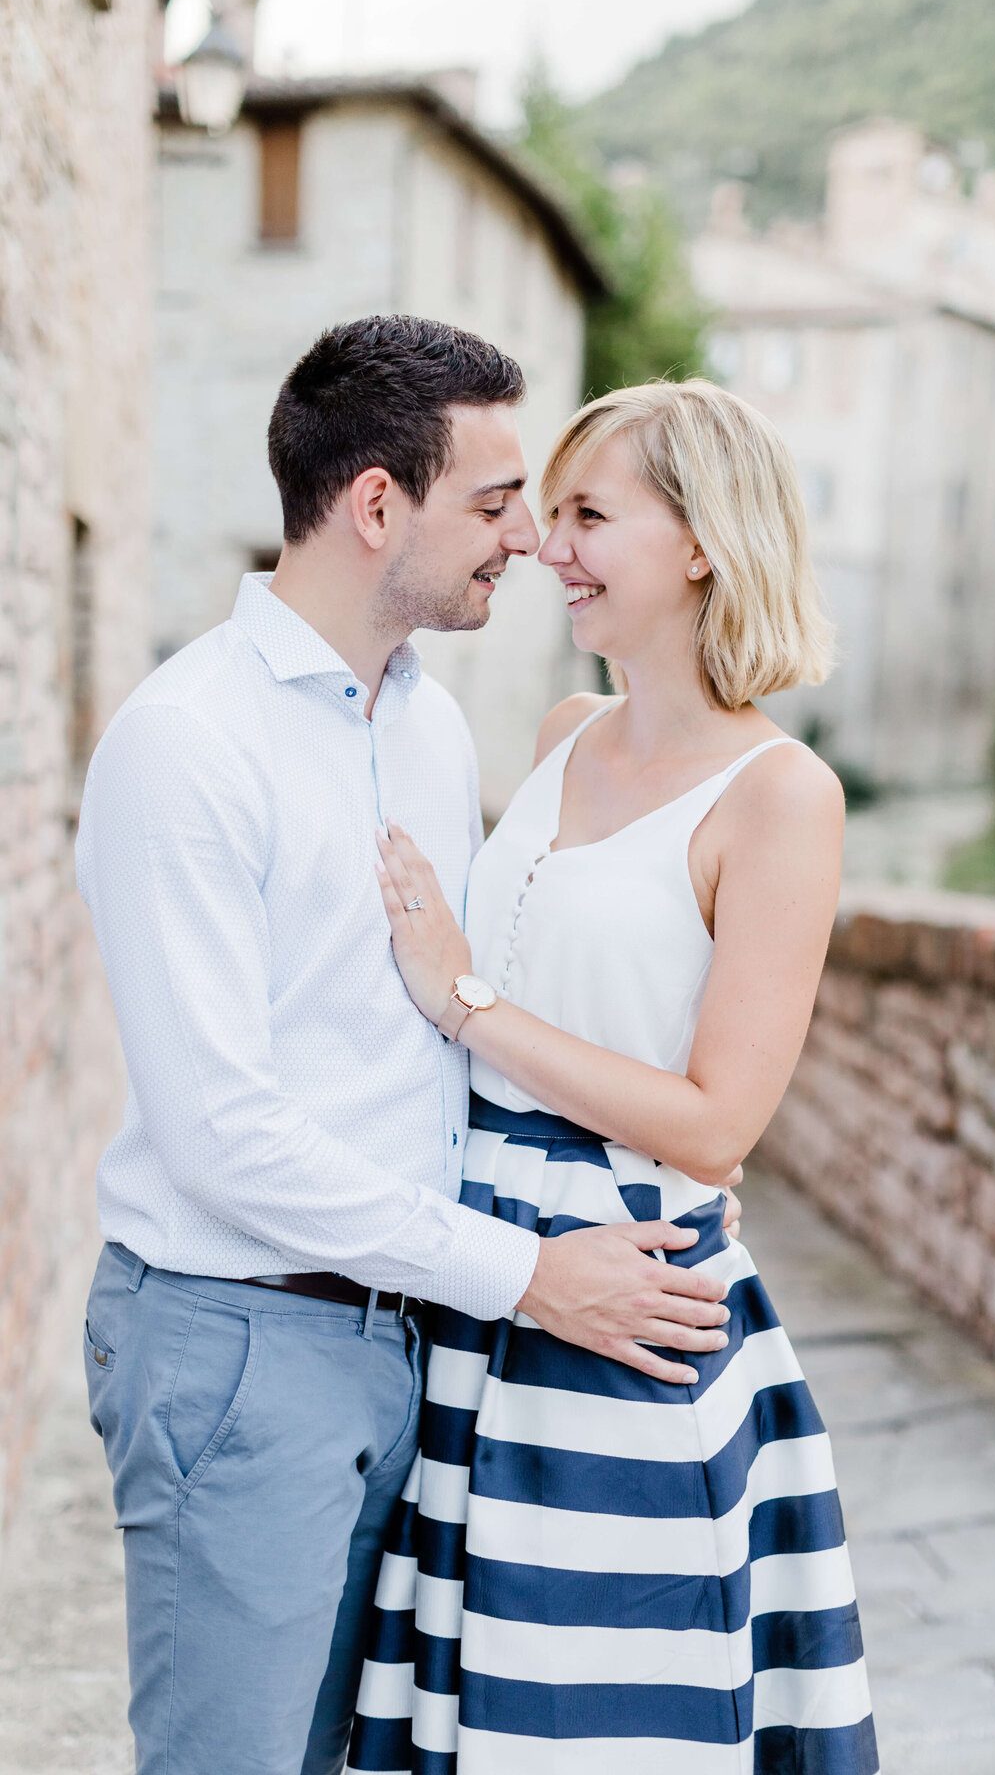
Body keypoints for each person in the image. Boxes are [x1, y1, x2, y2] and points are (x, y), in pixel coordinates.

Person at [75, 317, 738, 1775]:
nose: (529, 543)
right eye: (498, 505)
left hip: (409, 1344)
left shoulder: (432, 732)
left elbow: (454, 1021)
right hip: (242, 1344)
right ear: (378, 504)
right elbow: (223, 1137)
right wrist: (529, 1277)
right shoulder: (188, 743)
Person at [353, 379, 878, 1773]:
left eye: (588, 514)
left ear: (701, 539)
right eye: (544, 511)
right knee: (466, 1705)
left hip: (626, 1303)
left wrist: (468, 1001)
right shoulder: (558, 732)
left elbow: (720, 1124)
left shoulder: (779, 797)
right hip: (480, 1286)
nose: (545, 543)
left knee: (597, 1720)